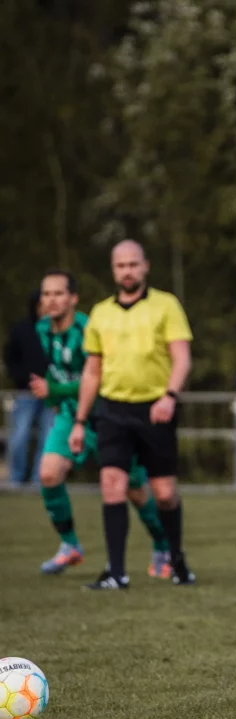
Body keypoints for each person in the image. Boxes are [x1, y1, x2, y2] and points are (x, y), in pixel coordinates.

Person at [69, 240, 195, 589]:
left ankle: (176, 559)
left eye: (133, 264)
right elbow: (91, 371)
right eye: (121, 265)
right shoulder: (100, 313)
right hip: (112, 410)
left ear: (145, 266)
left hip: (155, 409)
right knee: (112, 485)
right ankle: (116, 572)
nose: (127, 271)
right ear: (114, 270)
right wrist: (79, 421)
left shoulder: (166, 305)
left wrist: (169, 397)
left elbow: (182, 358)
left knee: (164, 493)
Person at [31, 270, 170, 577]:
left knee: (135, 491)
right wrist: (53, 395)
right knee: (49, 473)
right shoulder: (40, 330)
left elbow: (98, 375)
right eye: (46, 294)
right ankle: (70, 545)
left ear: (73, 298)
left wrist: (55, 390)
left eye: (58, 293)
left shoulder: (89, 327)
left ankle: (164, 547)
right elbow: (51, 372)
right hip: (70, 416)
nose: (51, 300)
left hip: (108, 418)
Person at [3, 290, 54, 485]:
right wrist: (21, 378)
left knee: (48, 439)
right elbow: (10, 357)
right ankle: (15, 480)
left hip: (52, 394)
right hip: (25, 392)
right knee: (19, 436)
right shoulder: (22, 330)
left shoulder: (59, 331)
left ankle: (38, 481)